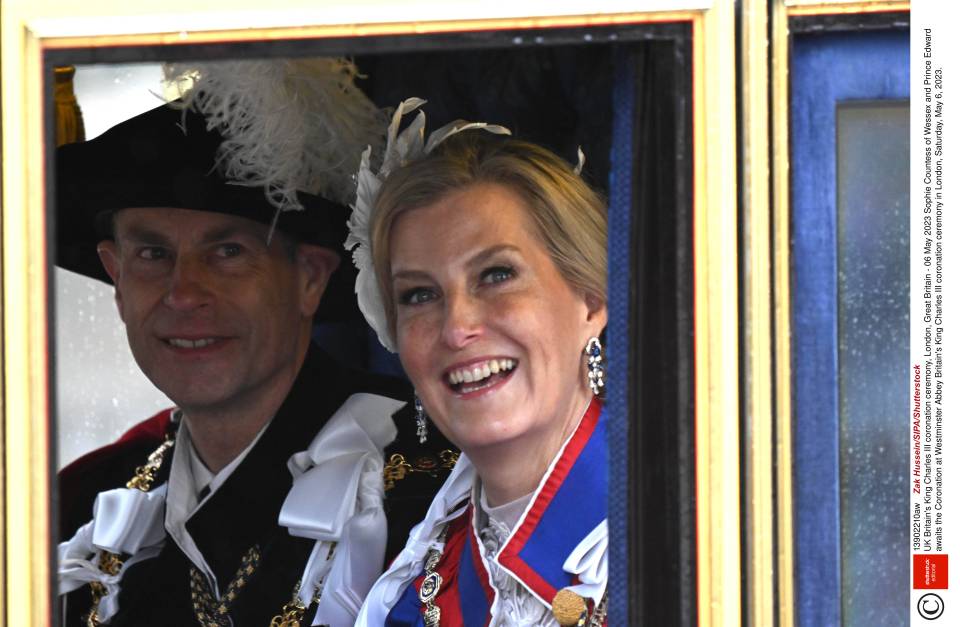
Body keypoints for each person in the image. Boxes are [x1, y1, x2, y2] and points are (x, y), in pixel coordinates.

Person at [55, 62, 454, 627]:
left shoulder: (437, 486)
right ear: (115, 277)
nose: (183, 293)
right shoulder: (78, 504)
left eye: (228, 253)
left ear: (310, 279)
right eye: (151, 254)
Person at [346, 100, 609, 626]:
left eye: (495, 275)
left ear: (590, 301)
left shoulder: (695, 536)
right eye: (420, 295)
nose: (455, 327)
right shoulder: (408, 597)